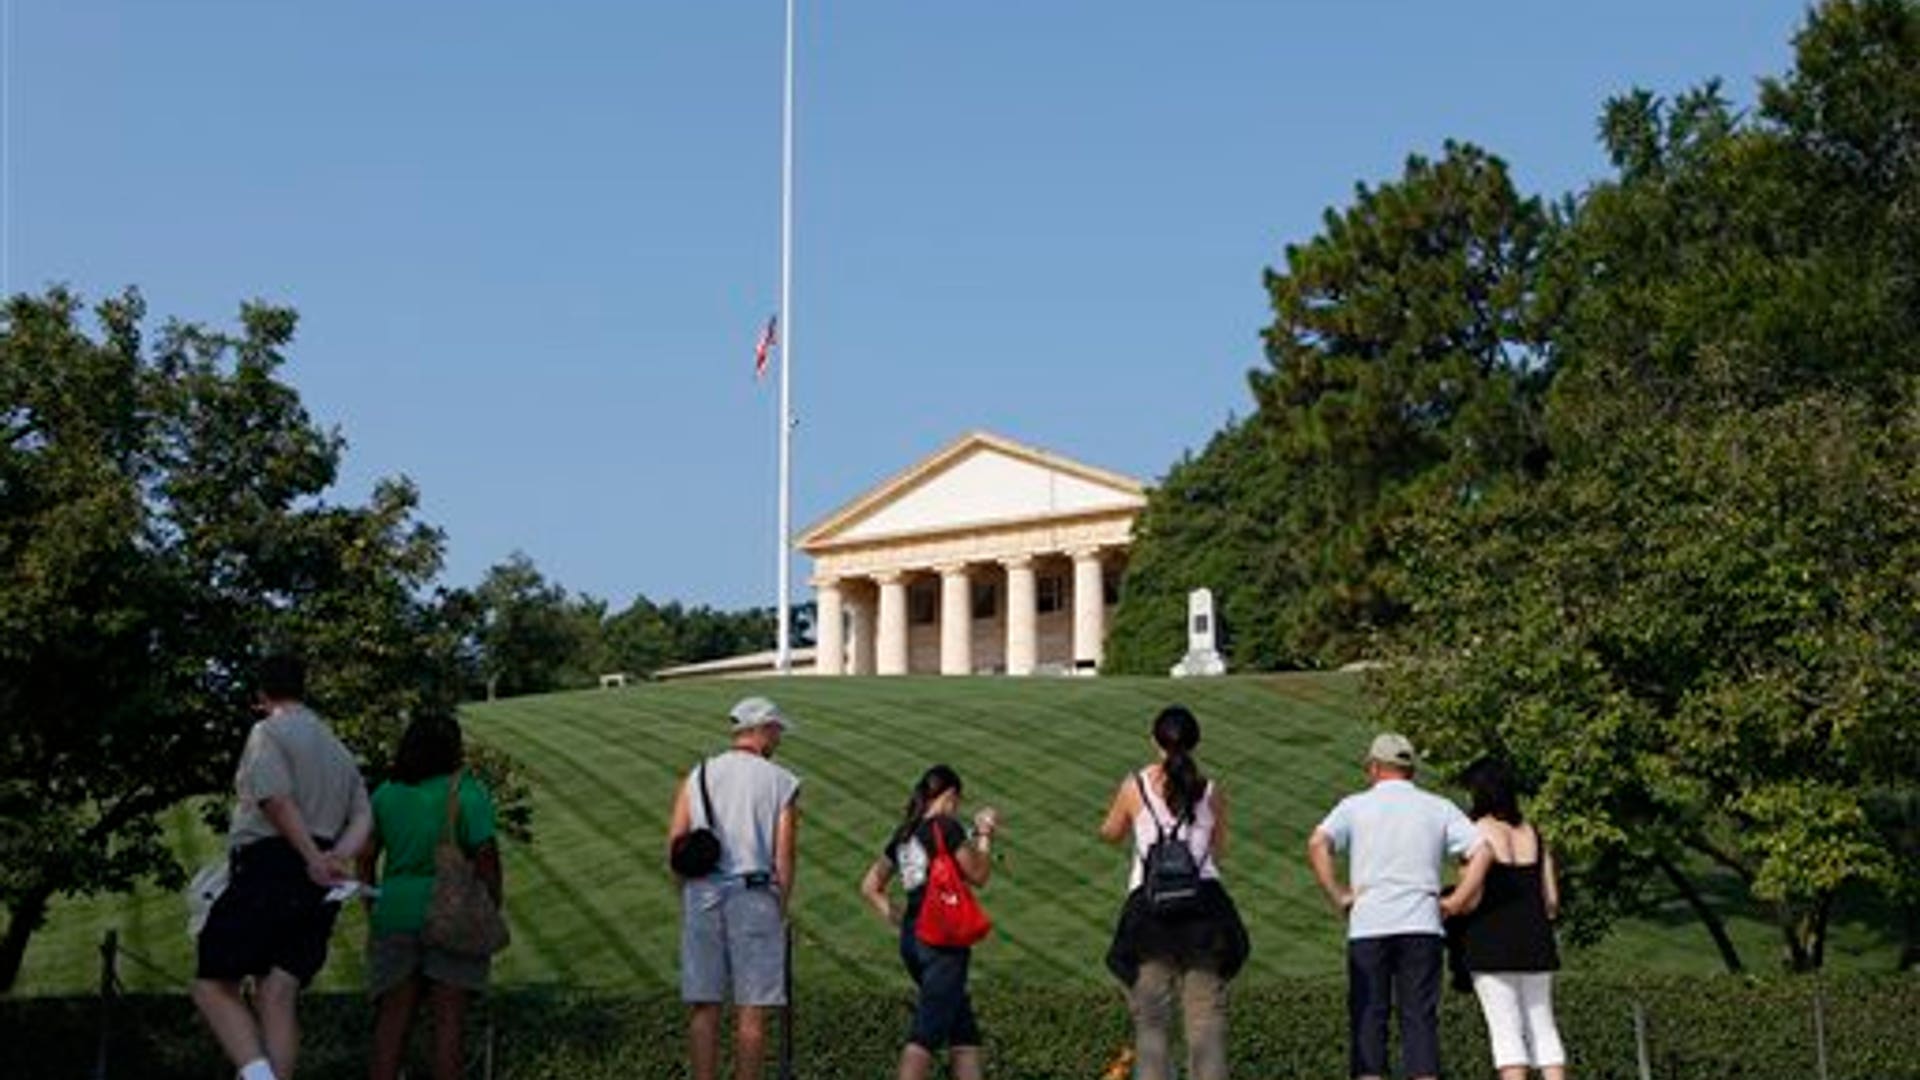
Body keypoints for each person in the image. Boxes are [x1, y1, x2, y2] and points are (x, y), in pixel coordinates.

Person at [193, 653, 371, 1080]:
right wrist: (335, 857)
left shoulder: (267, 732)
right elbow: (364, 816)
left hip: (272, 866)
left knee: (212, 984)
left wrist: (312, 858)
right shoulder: (338, 748)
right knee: (277, 992)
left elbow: (275, 799)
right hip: (322, 876)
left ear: (262, 695)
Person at [1307, 733, 1481, 1080]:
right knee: (1420, 1021)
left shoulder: (1354, 806)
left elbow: (1318, 843)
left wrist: (1339, 894)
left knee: (1369, 1019)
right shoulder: (1438, 806)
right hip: (1422, 923)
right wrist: (1458, 899)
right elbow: (1483, 849)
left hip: (1370, 923)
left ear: (1373, 768)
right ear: (1410, 770)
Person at [1098, 705, 1248, 1080]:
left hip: (1152, 914)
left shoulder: (1136, 787)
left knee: (1152, 1023)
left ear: (1155, 741)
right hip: (1202, 910)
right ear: (1196, 742)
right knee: (1206, 1022)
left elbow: (1111, 832)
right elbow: (1219, 847)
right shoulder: (1210, 791)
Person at [358, 710, 503, 1080]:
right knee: (448, 1022)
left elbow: (365, 856)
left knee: (392, 1021)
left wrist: (373, 903)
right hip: (451, 911)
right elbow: (486, 858)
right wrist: (489, 906)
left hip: (394, 910)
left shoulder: (386, 794)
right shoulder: (467, 792)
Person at [667, 696, 802, 1080]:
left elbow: (675, 843)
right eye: (776, 731)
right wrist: (781, 906)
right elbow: (784, 855)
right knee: (751, 1013)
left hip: (702, 893)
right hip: (754, 895)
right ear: (761, 731)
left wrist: (688, 894)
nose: (778, 739)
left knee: (704, 1007)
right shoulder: (782, 782)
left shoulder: (698, 775)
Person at [858, 765, 1000, 1080]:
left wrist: (900, 920)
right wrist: (985, 835)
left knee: (964, 1035)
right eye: (957, 801)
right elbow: (980, 875)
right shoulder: (946, 827)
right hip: (943, 942)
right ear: (949, 796)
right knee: (925, 1034)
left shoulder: (904, 833)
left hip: (914, 939)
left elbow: (870, 886)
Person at [1439, 758, 1566, 1080]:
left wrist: (1447, 904)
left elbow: (1472, 898)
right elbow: (1551, 901)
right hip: (1536, 941)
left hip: (1490, 941)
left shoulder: (1477, 832)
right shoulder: (1535, 834)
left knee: (1506, 1033)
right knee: (1544, 1029)